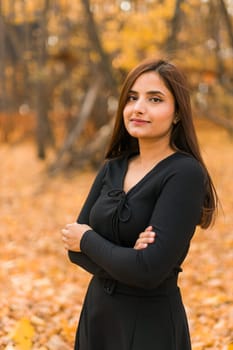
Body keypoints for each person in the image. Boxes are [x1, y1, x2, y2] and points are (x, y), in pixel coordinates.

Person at [61, 58, 218, 350]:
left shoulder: (184, 173)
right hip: (97, 316)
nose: (138, 108)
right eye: (132, 98)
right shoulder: (113, 166)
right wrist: (128, 259)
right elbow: (74, 250)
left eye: (155, 99)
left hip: (149, 324)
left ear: (177, 114)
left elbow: (148, 271)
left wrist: (90, 241)